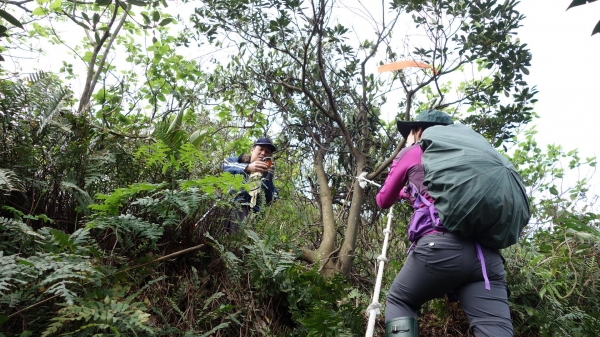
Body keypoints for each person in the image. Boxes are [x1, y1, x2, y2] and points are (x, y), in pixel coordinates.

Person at [376, 110, 513, 337]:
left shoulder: (416, 150)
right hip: (486, 258)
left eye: (410, 131)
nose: (408, 137)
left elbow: (382, 200)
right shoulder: (468, 155)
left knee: (401, 300)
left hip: (440, 249)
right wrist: (408, 192)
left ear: (419, 130)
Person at [222, 137, 278, 232]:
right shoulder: (237, 161)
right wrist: (248, 167)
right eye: (260, 149)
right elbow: (225, 165)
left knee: (235, 241)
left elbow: (272, 198)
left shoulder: (266, 175)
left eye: (267, 152)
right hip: (225, 204)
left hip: (247, 213)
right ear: (252, 150)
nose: (263, 153)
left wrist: (268, 178)